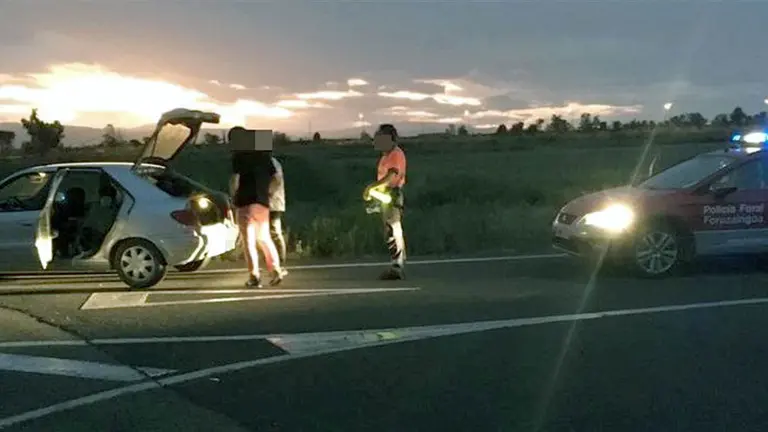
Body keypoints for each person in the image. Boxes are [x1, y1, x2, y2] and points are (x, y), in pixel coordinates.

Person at [229, 127, 287, 288]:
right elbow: (276, 178)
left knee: (249, 241)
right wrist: (268, 193)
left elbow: (235, 180)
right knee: (264, 237)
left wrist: (234, 197)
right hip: (263, 204)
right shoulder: (265, 157)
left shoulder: (239, 157)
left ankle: (254, 275)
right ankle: (275, 270)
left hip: (245, 202)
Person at [363, 124, 407, 280]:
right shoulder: (385, 156)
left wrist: (371, 188)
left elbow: (391, 176)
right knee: (389, 230)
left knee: (393, 228)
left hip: (392, 195)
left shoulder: (395, 154)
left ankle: (397, 265)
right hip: (385, 195)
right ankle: (396, 262)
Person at [269, 156, 288, 268]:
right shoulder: (268, 161)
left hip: (273, 203)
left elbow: (277, 179)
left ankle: (280, 262)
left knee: (274, 232)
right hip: (268, 202)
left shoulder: (271, 162)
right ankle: (273, 262)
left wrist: (267, 192)